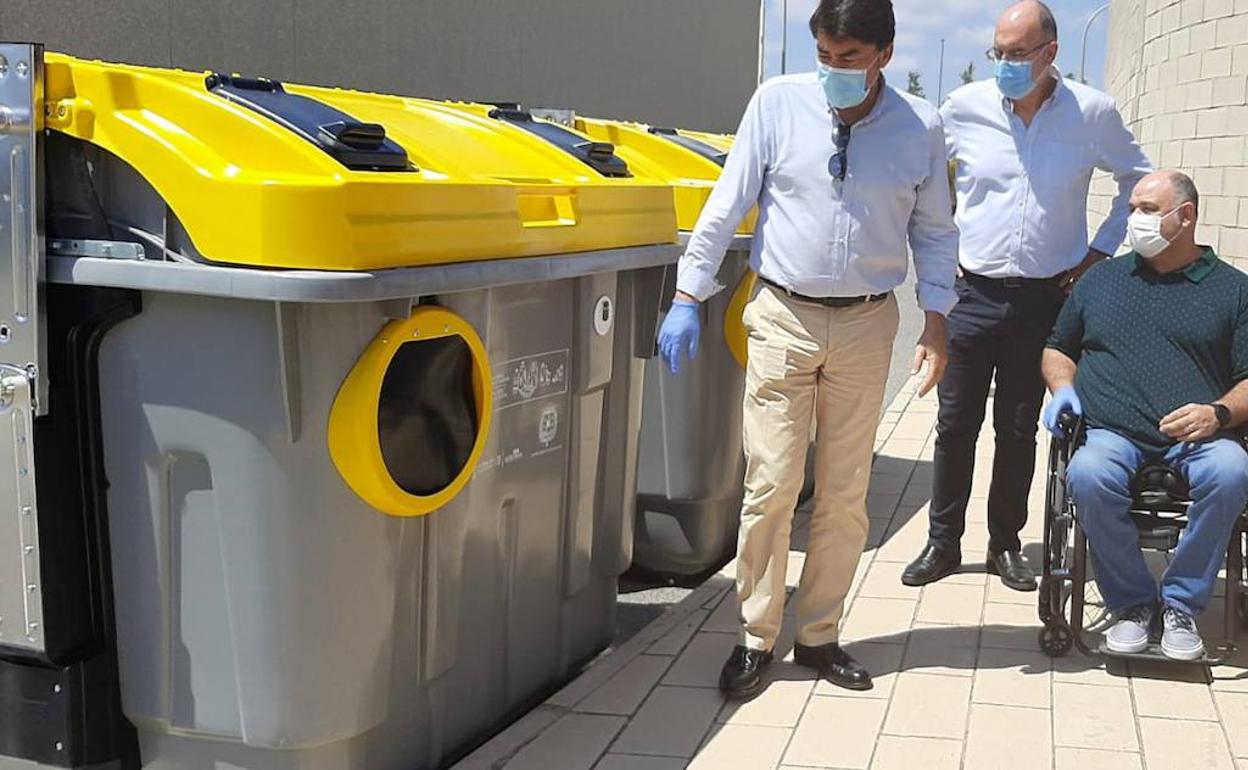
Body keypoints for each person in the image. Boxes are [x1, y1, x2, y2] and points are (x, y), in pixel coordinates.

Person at [657, 0, 957, 698]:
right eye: (823, 54)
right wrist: (686, 296)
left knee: (846, 495)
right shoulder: (777, 104)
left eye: (848, 58)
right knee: (771, 485)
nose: (832, 70)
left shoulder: (920, 127)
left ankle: (819, 635)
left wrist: (936, 324)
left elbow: (937, 234)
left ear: (883, 53)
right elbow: (726, 203)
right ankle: (754, 636)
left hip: (866, 324)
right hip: (783, 316)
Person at [904, 0, 1151, 591]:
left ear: (1051, 53)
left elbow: (1138, 180)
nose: (1006, 65)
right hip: (972, 292)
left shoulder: (1092, 114)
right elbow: (924, 180)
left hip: (1047, 299)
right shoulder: (963, 109)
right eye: (999, 53)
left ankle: (1005, 544)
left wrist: (1100, 253)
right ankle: (943, 542)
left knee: (1018, 427)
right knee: (955, 422)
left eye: (1018, 54)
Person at [1042, 170, 1248, 661]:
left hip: (1201, 435)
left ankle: (1180, 606)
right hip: (1112, 432)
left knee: (1232, 472)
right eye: (1133, 208)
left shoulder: (1234, 291)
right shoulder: (1102, 280)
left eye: (1149, 210)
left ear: (1187, 217)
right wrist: (1063, 389)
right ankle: (1134, 603)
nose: (1135, 219)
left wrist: (1219, 412)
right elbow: (1057, 347)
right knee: (1087, 475)